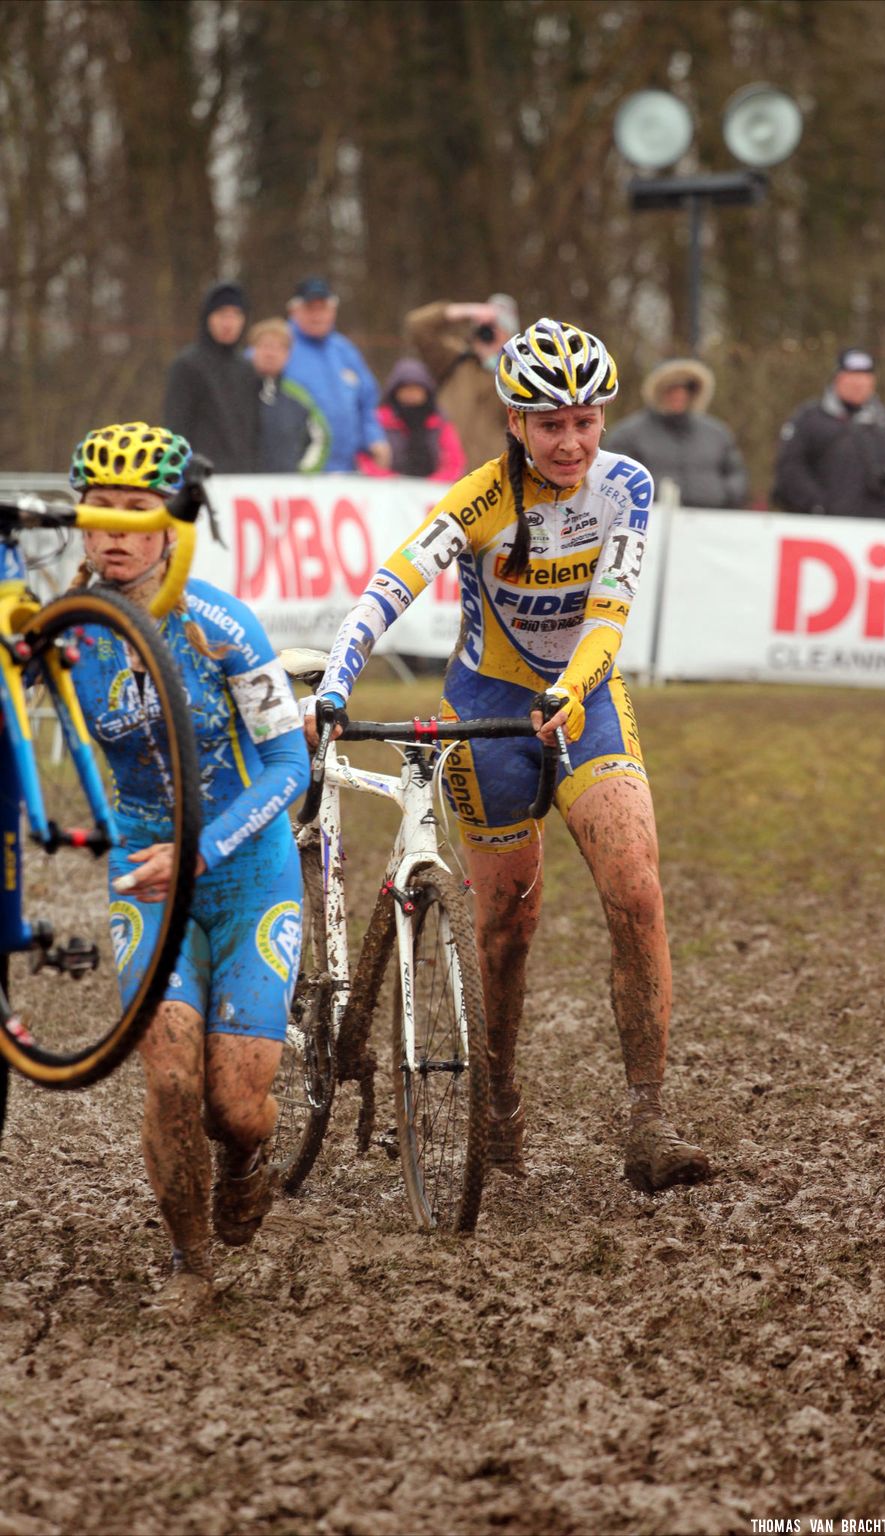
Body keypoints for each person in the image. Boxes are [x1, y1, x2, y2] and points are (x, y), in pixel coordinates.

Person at [310, 319, 711, 1195]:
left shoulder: (627, 488)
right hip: (486, 706)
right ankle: (498, 1103)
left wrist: (569, 692)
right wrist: (337, 683)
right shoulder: (480, 499)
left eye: (586, 421)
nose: (571, 442)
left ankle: (649, 1119)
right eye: (550, 424)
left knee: (636, 890)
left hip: (586, 700)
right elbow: (389, 588)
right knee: (505, 928)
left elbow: (609, 615)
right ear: (515, 423)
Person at [67, 421, 308, 1319]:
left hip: (246, 872)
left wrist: (201, 849)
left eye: (140, 513)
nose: (118, 532)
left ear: (175, 523)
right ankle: (189, 1262)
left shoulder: (221, 624)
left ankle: (251, 1154)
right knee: (169, 1077)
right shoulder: (69, 634)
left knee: (234, 1107)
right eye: (101, 514)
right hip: (145, 878)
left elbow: (291, 769)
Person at [773, 347, 885, 519]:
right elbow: (791, 469)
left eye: (864, 378)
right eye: (852, 377)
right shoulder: (810, 419)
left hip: (881, 529)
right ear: (838, 379)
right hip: (827, 528)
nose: (858, 384)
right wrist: (817, 506)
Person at [606, 358, 748, 508]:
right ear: (658, 392)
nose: (679, 395)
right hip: (650, 518)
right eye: (672, 390)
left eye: (685, 390)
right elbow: (616, 477)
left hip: (710, 519)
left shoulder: (717, 433)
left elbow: (736, 473)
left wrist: (726, 495)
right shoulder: (629, 433)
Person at [283, 276, 390, 473]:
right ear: (294, 311)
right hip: (297, 471)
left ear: (333, 311)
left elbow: (367, 402)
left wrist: (374, 438)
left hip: (347, 472)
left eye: (322, 308)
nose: (317, 315)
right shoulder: (279, 346)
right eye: (310, 308)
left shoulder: (345, 351)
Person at [405, 292, 519, 467]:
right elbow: (417, 326)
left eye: (498, 328)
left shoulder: (517, 374)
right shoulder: (455, 359)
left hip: (489, 478)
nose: (489, 333)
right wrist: (468, 311)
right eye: (486, 327)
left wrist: (501, 362)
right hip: (442, 472)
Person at [164, 281, 260, 472]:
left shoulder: (247, 368)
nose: (229, 323)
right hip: (201, 477)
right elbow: (176, 426)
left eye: (236, 315)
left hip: (243, 478)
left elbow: (253, 429)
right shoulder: (187, 365)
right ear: (208, 317)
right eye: (222, 315)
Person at [355, 357, 466, 481]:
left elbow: (455, 462)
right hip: (385, 491)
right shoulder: (378, 420)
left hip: (432, 494)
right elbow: (363, 458)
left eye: (416, 389)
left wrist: (434, 483)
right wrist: (391, 481)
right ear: (395, 391)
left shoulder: (439, 423)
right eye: (406, 388)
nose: (411, 393)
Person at [249, 317, 329, 473]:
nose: (270, 354)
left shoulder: (298, 395)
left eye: (278, 348)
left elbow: (321, 438)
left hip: (285, 488)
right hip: (239, 487)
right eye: (265, 346)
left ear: (288, 355)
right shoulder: (237, 390)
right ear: (253, 350)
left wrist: (303, 474)